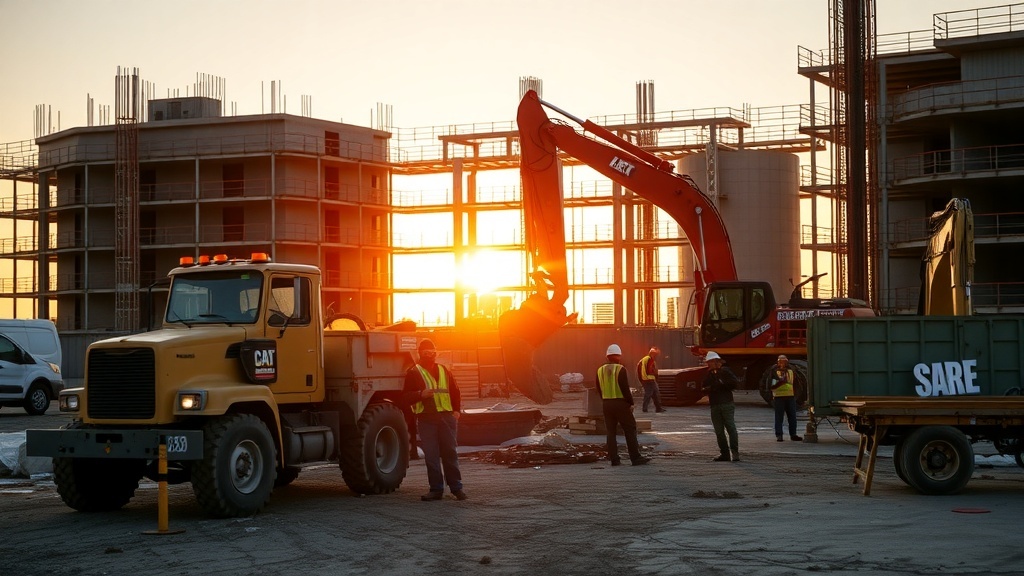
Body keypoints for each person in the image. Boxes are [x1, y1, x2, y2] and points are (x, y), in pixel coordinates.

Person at [402, 338, 467, 501]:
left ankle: (456, 488)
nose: (429, 356)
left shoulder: (444, 370)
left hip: (447, 418)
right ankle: (436, 489)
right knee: (431, 456)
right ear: (420, 354)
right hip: (426, 419)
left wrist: (457, 411)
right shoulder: (413, 372)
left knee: (450, 453)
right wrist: (420, 395)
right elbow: (405, 397)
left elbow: (455, 391)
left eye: (431, 353)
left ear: (435, 353)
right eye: (425, 353)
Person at [596, 344, 651, 467]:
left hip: (606, 404)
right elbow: (625, 389)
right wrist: (631, 403)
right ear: (619, 356)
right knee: (630, 429)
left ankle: (614, 460)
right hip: (620, 403)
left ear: (607, 356)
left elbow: (599, 389)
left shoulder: (600, 370)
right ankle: (635, 458)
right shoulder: (620, 369)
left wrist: (605, 400)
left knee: (610, 432)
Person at [701, 350, 740, 462]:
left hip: (726, 403)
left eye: (710, 362)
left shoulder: (725, 372)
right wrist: (709, 388)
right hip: (715, 404)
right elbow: (703, 386)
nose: (708, 364)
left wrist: (721, 384)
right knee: (719, 431)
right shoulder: (709, 374)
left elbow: (734, 384)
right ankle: (725, 454)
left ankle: (734, 452)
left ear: (716, 361)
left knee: (730, 428)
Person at [770, 354, 803, 442]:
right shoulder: (774, 371)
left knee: (792, 417)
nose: (782, 363)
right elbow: (771, 384)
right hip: (779, 397)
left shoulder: (791, 370)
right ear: (778, 362)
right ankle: (779, 435)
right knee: (779, 417)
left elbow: (796, 383)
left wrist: (796, 395)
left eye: (784, 361)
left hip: (790, 396)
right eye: (781, 361)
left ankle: (793, 434)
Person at [637, 347, 666, 413]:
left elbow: (638, 369)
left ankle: (658, 408)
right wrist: (655, 375)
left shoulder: (643, 359)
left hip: (645, 379)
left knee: (653, 394)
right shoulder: (650, 359)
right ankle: (647, 408)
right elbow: (650, 370)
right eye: (656, 354)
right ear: (653, 354)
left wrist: (641, 380)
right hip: (650, 379)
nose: (656, 356)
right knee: (653, 393)